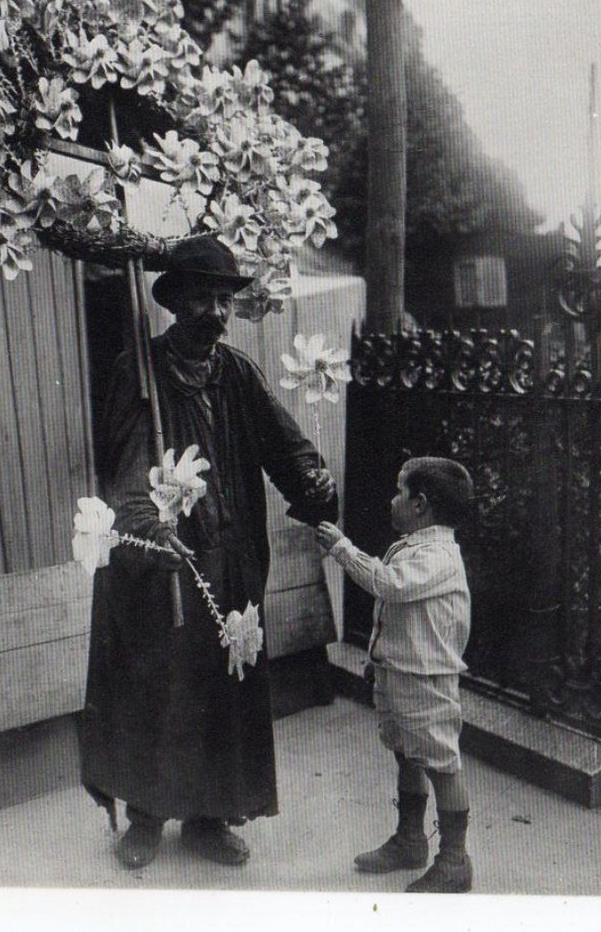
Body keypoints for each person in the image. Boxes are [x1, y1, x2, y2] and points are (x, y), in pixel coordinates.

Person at [80, 235, 338, 871]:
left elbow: (285, 444)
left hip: (230, 558)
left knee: (224, 687)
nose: (217, 312)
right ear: (176, 304)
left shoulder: (237, 374)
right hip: (162, 561)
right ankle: (145, 815)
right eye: (203, 298)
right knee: (159, 684)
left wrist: (311, 478)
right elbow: (125, 469)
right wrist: (148, 527)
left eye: (224, 299)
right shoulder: (139, 372)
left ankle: (210, 816)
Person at [315, 456, 474, 894]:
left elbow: (390, 586)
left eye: (399, 491)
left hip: (427, 679)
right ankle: (409, 840)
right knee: (407, 754)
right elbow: (397, 613)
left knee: (441, 764)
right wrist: (377, 658)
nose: (392, 500)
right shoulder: (414, 545)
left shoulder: (439, 556)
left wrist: (342, 549)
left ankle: (456, 859)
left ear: (419, 504)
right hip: (400, 674)